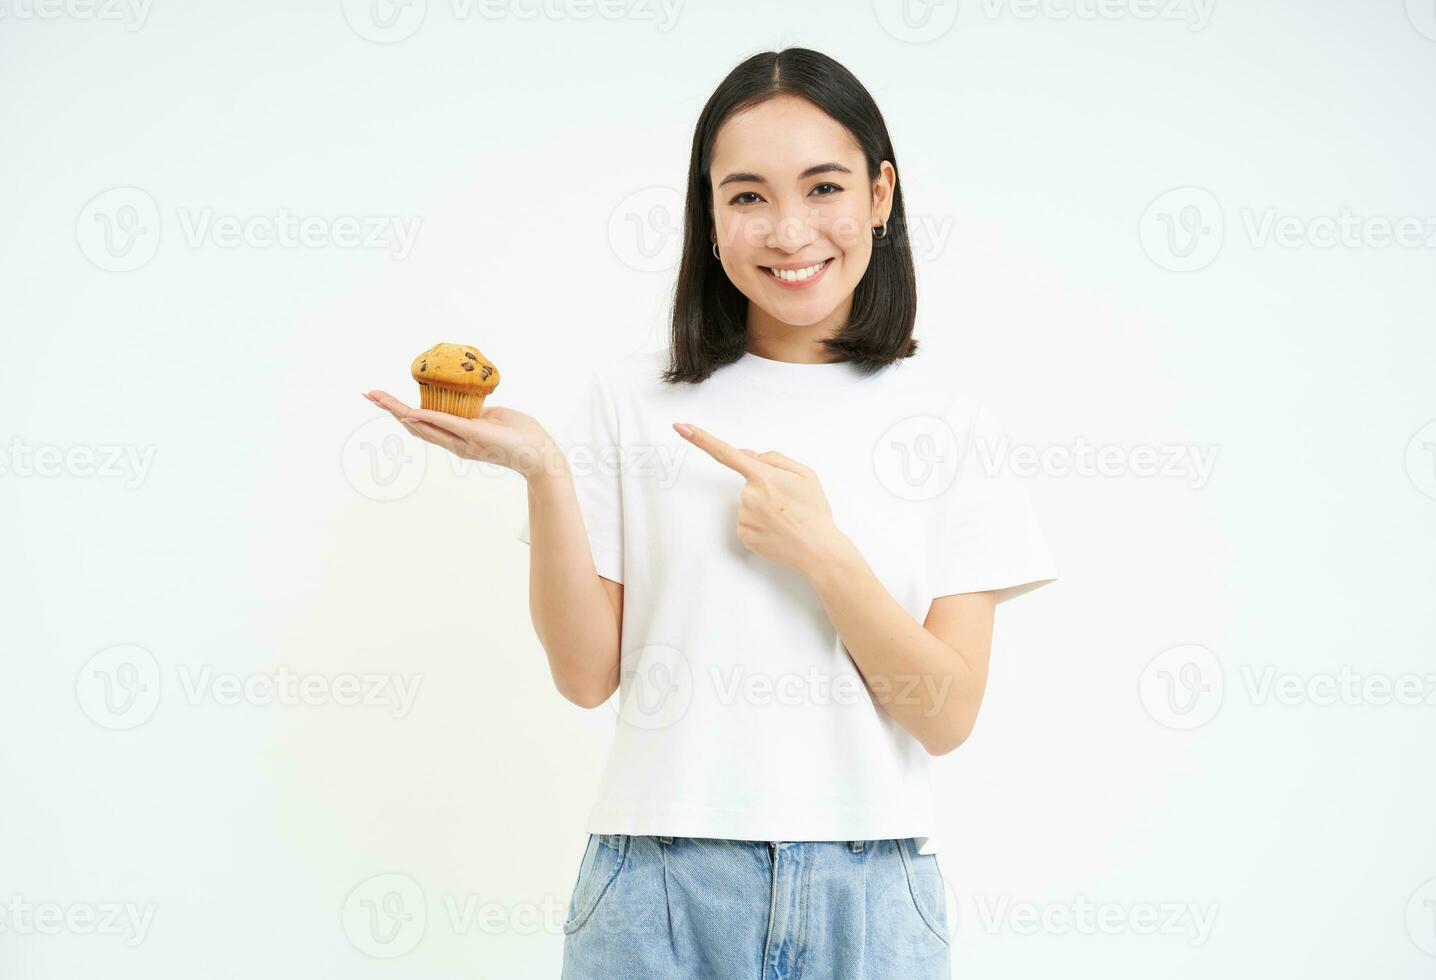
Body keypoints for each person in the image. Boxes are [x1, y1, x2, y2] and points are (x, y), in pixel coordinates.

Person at [366, 46, 1058, 980]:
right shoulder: (629, 402)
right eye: (747, 196)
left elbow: (944, 715)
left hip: (871, 892)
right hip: (657, 890)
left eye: (823, 188)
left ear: (881, 196)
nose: (788, 231)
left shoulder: (950, 424)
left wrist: (823, 553)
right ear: (708, 213)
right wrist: (543, 471)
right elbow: (584, 675)